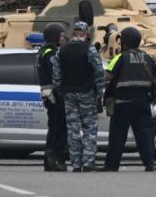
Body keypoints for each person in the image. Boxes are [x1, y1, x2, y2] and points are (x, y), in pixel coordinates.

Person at [101, 27, 156, 172]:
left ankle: (112, 165)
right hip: (143, 103)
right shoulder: (149, 58)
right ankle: (149, 164)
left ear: (124, 41)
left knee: (118, 136)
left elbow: (107, 77)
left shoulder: (120, 58)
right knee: (144, 135)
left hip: (123, 104)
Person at [52, 21, 105, 173]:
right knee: (89, 128)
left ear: (73, 33)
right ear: (86, 33)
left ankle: (75, 163)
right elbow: (99, 71)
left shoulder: (61, 50)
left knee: (73, 129)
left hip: (69, 94)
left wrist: (60, 89)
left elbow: (56, 75)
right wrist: (99, 90)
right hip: (87, 93)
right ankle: (88, 162)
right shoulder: (89, 49)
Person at [37, 22, 68, 172]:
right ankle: (54, 159)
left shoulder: (44, 51)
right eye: (61, 35)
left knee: (54, 128)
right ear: (54, 37)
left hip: (50, 94)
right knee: (58, 128)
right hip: (55, 95)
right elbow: (56, 74)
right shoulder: (50, 53)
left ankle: (49, 160)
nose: (64, 38)